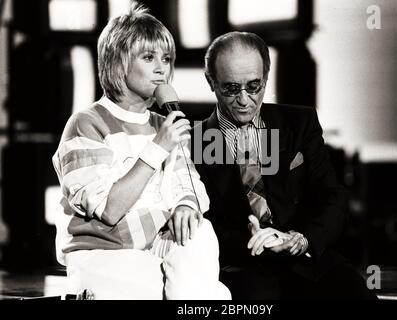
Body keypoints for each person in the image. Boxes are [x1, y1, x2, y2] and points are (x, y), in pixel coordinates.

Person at [51, 5, 230, 300]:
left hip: (156, 242)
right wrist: (158, 148)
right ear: (118, 64)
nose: (162, 68)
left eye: (166, 58)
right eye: (149, 57)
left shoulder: (164, 125)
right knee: (194, 292)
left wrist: (186, 205)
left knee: (202, 235)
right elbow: (109, 208)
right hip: (105, 250)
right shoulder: (87, 123)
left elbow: (189, 184)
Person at [191, 31, 378, 300]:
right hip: (242, 267)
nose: (244, 100)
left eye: (254, 86)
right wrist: (255, 240)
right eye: (231, 88)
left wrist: (300, 240)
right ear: (211, 81)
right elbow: (199, 225)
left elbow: (332, 196)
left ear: (266, 78)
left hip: (305, 257)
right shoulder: (193, 142)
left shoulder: (299, 123)